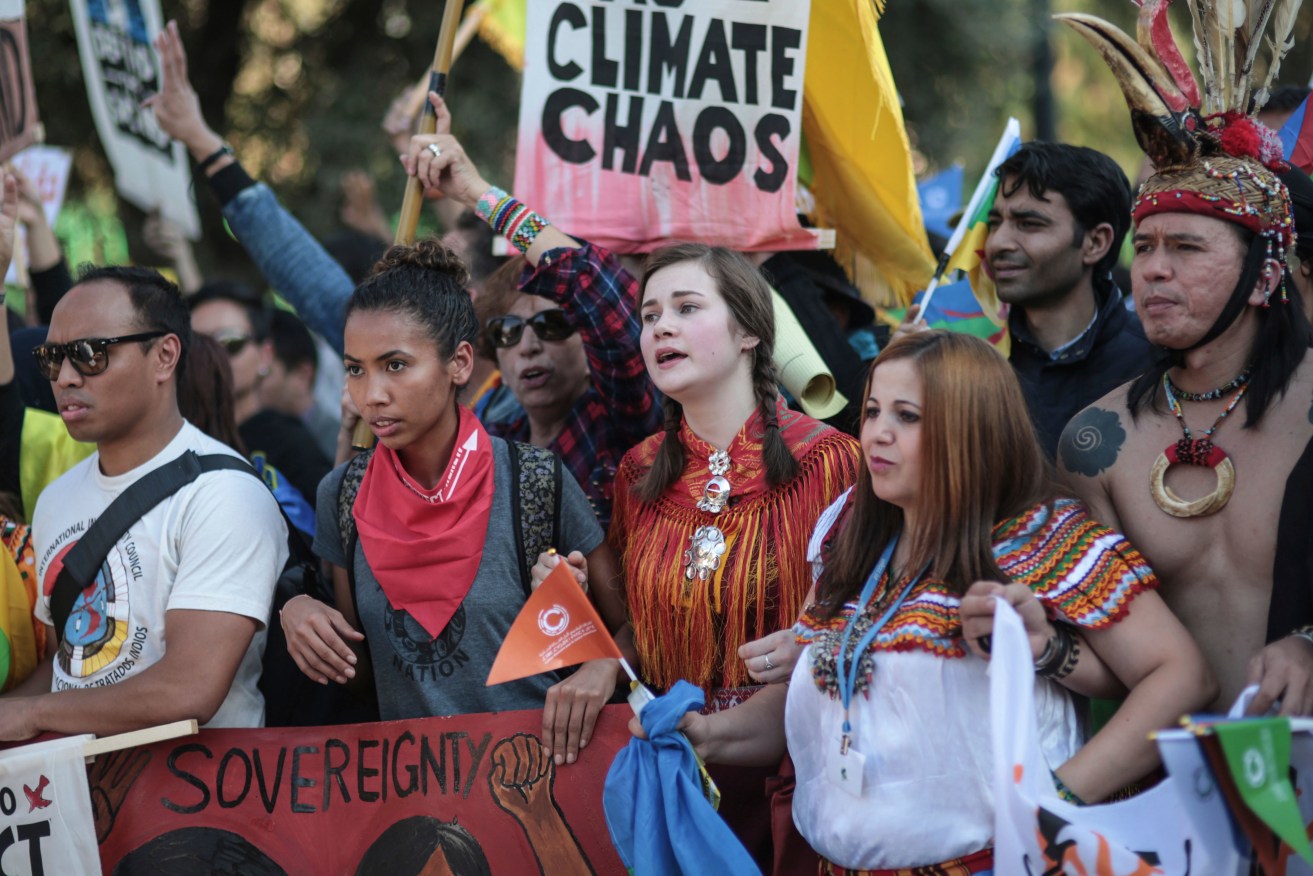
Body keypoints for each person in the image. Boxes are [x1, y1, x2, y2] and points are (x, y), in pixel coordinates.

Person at [656, 330, 1213, 872]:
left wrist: (1051, 803)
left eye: (907, 416)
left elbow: (1179, 677)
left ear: (971, 430)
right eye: (873, 412)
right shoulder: (849, 544)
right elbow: (824, 707)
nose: (876, 433)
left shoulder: (1037, 536)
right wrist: (711, 734)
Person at [538, 243, 861, 869]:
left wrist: (816, 639)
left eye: (686, 308)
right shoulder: (638, 470)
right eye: (650, 314)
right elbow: (639, 625)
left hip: (798, 777)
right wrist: (604, 660)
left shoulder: (831, 461)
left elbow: (870, 619)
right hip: (673, 772)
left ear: (748, 331)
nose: (660, 326)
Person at [279, 239, 626, 765]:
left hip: (550, 794)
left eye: (395, 366)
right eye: (355, 369)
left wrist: (601, 667)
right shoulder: (342, 495)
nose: (370, 394)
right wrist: (299, 610)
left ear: (460, 363)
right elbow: (366, 677)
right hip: (423, 806)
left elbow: (630, 627)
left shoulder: (534, 480)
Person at [1057, 4, 1313, 715]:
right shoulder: (1092, 443)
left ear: (1265, 276)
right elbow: (1120, 665)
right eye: (1146, 248)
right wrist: (1039, 643)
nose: (1153, 271)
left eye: (1187, 248)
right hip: (1169, 791)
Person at [6, 262, 288, 737]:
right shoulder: (56, 500)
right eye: (52, 359)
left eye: (90, 354)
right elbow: (66, 668)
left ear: (164, 356)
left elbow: (190, 689)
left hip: (200, 802)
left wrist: (30, 715)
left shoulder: (224, 494)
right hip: (80, 799)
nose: (66, 378)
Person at [403, 98, 660, 528]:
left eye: (551, 324)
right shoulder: (490, 441)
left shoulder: (623, 420)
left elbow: (588, 281)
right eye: (506, 331)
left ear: (589, 337)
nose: (529, 346)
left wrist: (476, 193)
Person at [985, 142, 1154, 458]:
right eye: (995, 223)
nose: (998, 242)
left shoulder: (1157, 366)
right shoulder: (973, 358)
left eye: (1029, 224)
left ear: (1095, 242)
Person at [188, 281, 333, 508]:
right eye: (197, 348)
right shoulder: (174, 443)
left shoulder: (291, 445)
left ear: (265, 355)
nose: (214, 358)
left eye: (230, 343)